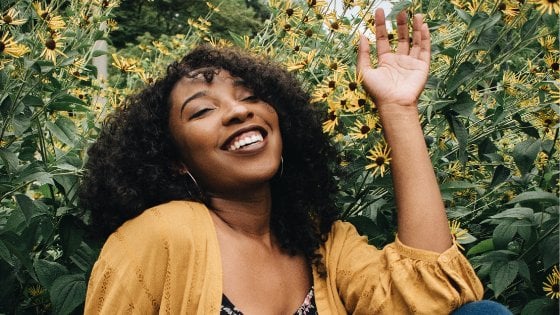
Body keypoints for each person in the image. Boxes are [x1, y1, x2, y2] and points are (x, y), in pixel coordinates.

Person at [82, 9, 507, 315]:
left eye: (250, 96)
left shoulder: (323, 242)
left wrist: (398, 110)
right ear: (175, 160)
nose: (238, 111)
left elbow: (431, 299)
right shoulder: (159, 236)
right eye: (201, 111)